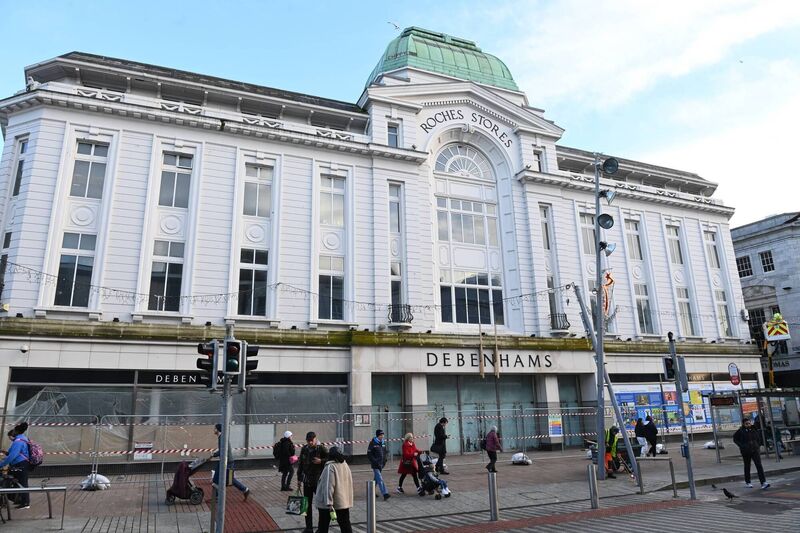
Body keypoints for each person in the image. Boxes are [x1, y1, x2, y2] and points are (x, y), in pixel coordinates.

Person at [314, 446, 353, 533]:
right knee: (345, 525)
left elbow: (328, 486)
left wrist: (329, 503)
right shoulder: (345, 465)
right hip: (343, 502)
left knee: (323, 527)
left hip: (328, 504)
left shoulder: (330, 467)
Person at [297, 431, 328, 533]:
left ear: (315, 439)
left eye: (312, 440)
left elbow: (330, 459)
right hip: (307, 480)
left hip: (318, 480)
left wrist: (321, 461)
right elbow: (301, 464)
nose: (310, 442)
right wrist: (299, 479)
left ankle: (321, 528)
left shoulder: (321, 448)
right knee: (306, 505)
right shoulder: (304, 449)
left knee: (320, 504)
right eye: (308, 441)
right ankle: (308, 527)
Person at [210, 423, 250, 500]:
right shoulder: (221, 437)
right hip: (224, 461)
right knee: (217, 479)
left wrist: (213, 454)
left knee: (229, 479)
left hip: (227, 462)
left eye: (214, 428)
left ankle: (245, 490)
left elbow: (223, 450)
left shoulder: (222, 438)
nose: (213, 430)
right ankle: (218, 496)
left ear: (217, 430)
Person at [733, 418, 770, 489]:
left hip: (755, 450)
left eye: (749, 423)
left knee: (759, 465)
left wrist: (757, 445)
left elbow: (758, 438)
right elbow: (735, 439)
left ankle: (763, 482)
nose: (748, 425)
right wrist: (742, 446)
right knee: (747, 466)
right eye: (746, 424)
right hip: (746, 451)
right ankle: (748, 482)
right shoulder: (740, 431)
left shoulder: (754, 429)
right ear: (743, 424)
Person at [0, 423, 30, 509]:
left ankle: (25, 503)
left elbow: (12, 456)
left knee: (22, 483)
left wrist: (1, 464)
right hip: (20, 464)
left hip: (20, 464)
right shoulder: (23, 438)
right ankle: (20, 500)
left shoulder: (18, 442)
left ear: (16, 432)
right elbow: (13, 453)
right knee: (18, 482)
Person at [367, 429, 390, 500]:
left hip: (381, 464)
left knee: (376, 479)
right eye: (380, 435)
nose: (382, 436)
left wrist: (385, 460)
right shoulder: (373, 443)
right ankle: (385, 493)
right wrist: (374, 461)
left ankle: (371, 492)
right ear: (377, 435)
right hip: (375, 464)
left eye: (382, 435)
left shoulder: (383, 443)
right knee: (380, 479)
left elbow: (385, 452)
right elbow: (369, 454)